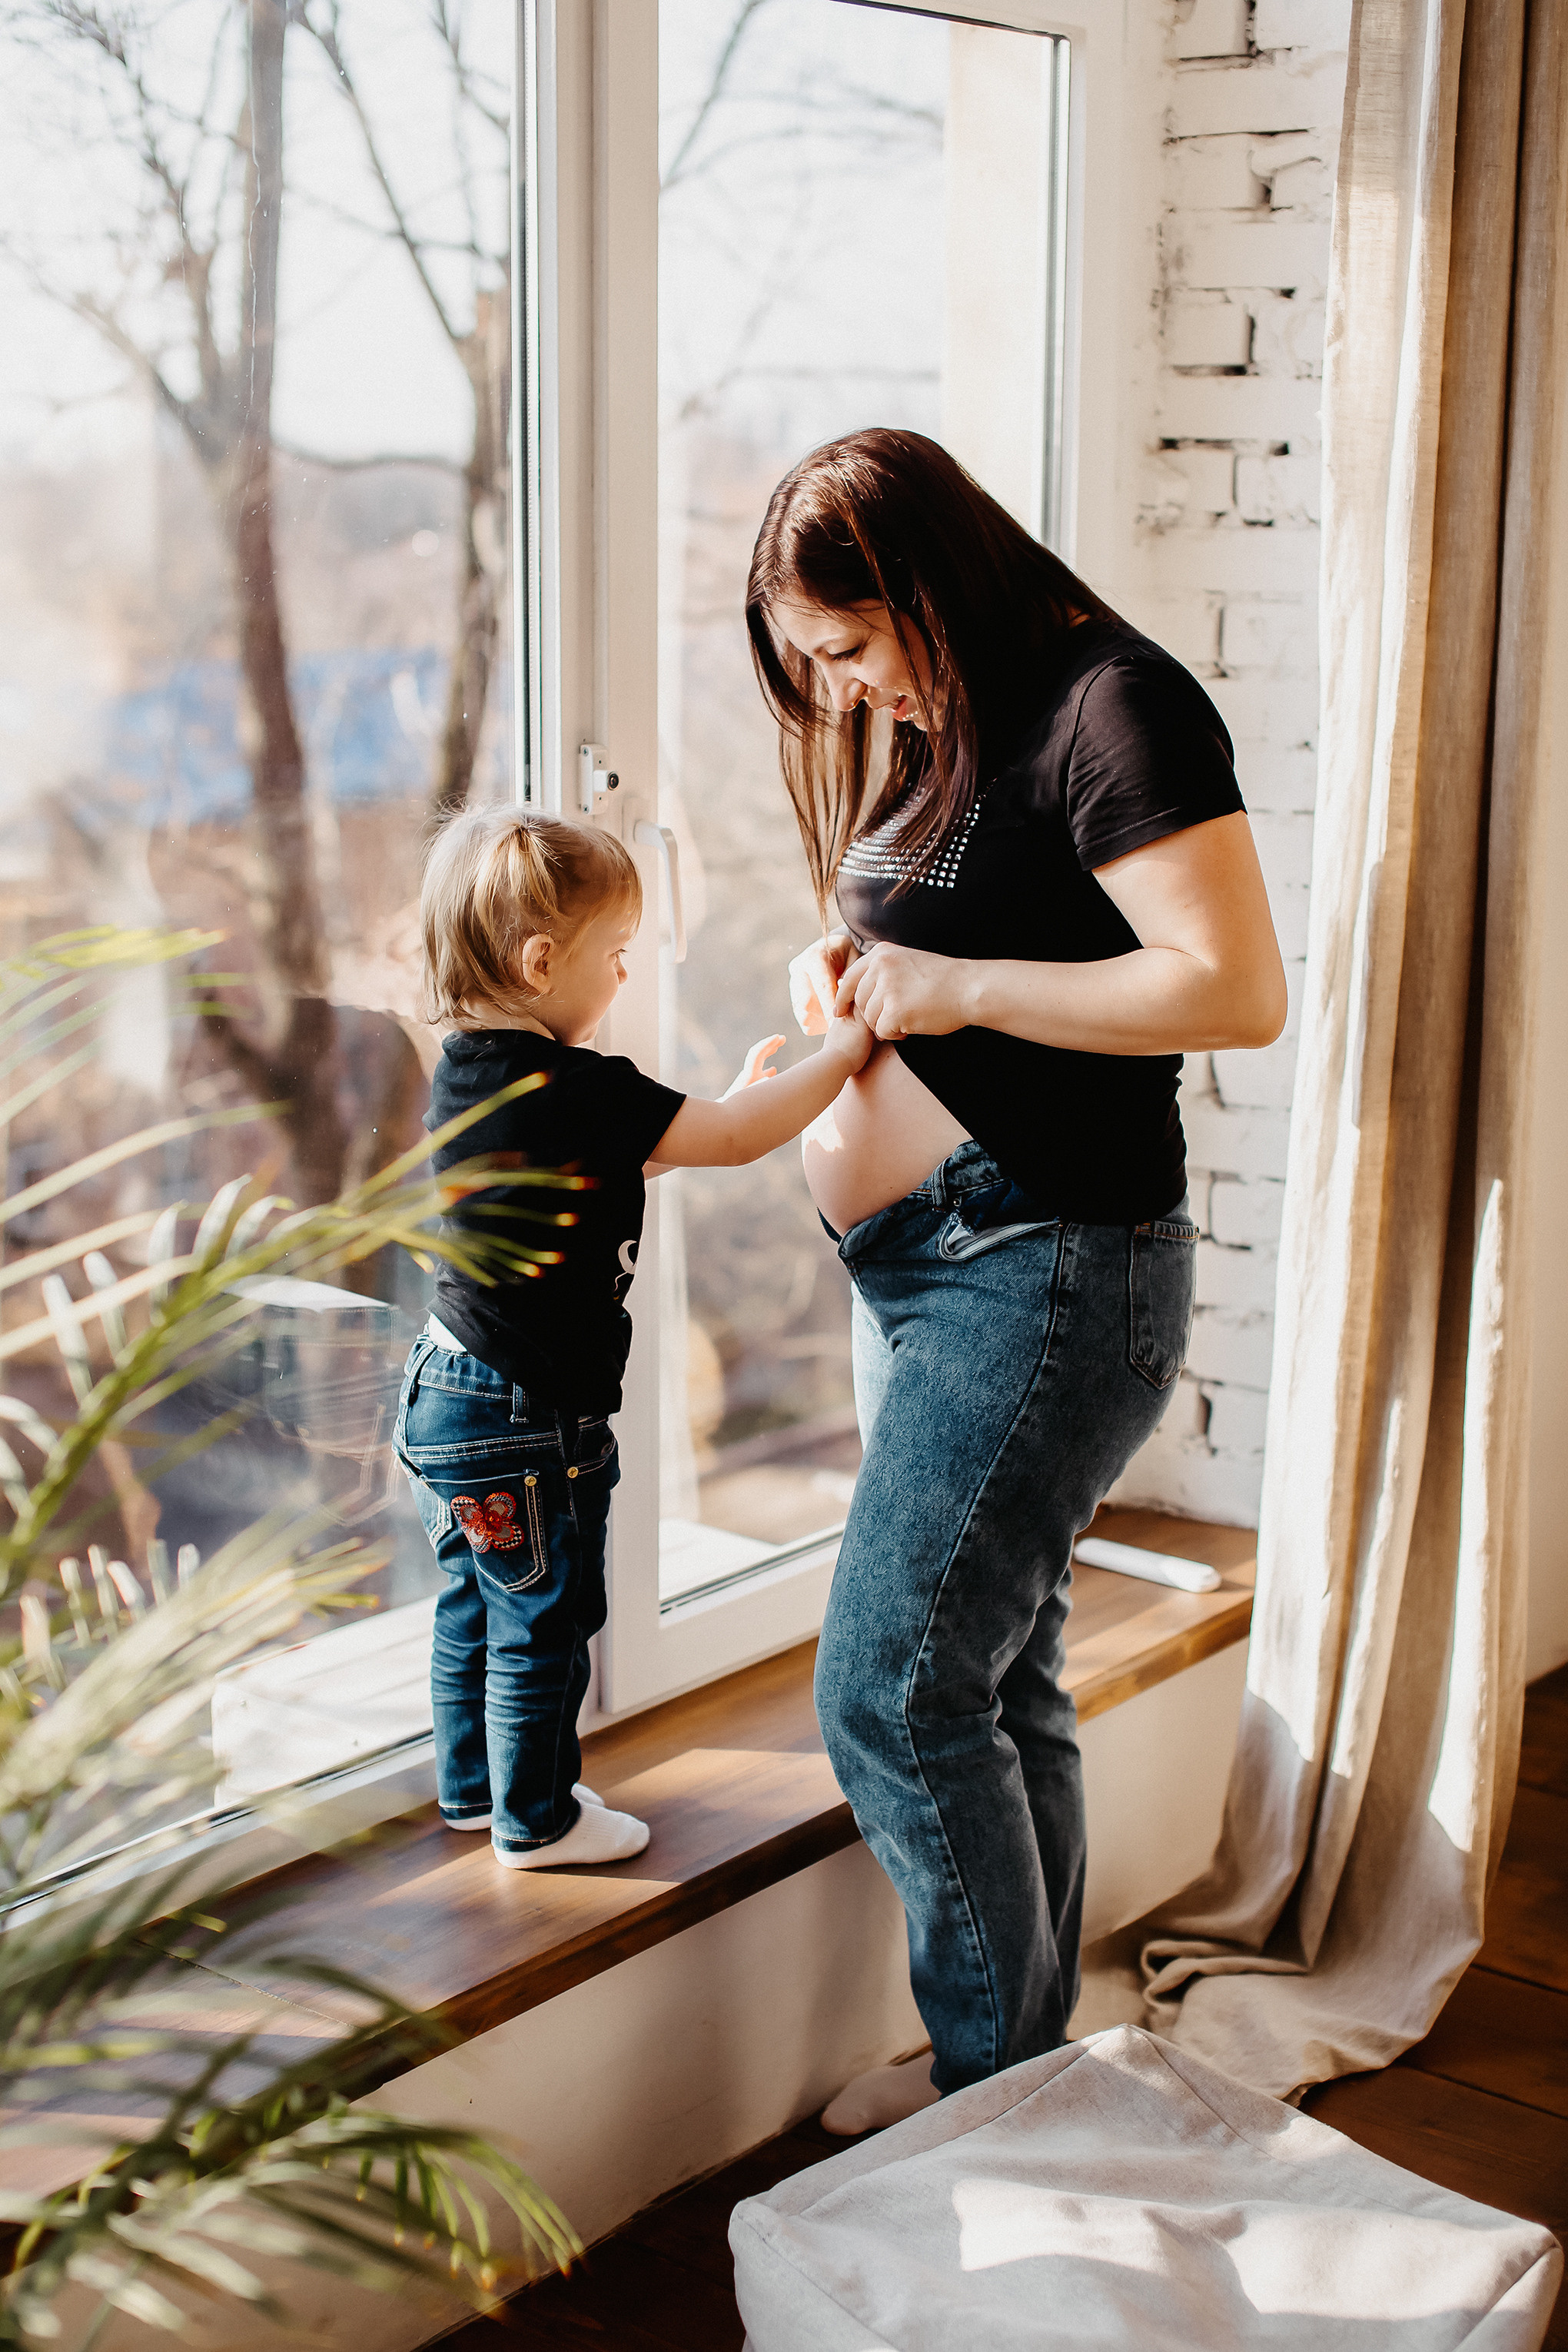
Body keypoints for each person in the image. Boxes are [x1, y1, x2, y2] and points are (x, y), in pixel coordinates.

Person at [744, 427, 1287, 2130]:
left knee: (892, 1686)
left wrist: (957, 990)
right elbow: (965, 934)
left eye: (847, 648)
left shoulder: (1110, 702)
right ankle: (1024, 2064)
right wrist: (853, 981)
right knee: (1002, 1668)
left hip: (1049, 1264)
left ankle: (989, 2094)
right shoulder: (945, 714)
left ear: (923, 584)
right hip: (925, 1267)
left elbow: (1230, 989)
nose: (838, 696)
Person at [396, 806, 872, 1872]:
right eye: (615, 957)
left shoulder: (466, 1074)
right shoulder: (583, 1087)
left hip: (447, 1394)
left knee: (476, 1602)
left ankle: (474, 1791)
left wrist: (722, 1108)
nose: (622, 978)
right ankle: (540, 1820)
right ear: (539, 961)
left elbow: (608, 1166)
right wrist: (839, 1053)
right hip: (525, 1411)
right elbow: (737, 1138)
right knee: (548, 1617)